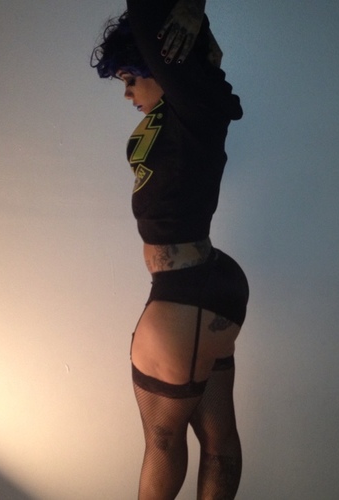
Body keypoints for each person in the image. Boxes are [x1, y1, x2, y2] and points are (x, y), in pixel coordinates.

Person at [91, 1, 248, 498]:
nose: (127, 93)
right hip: (207, 284)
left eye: (129, 79)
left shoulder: (191, 105)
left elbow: (146, 13)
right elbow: (198, 54)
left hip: (185, 295)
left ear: (159, 65)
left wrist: (191, 5)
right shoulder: (195, 108)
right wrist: (200, 31)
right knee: (217, 437)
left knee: (162, 440)